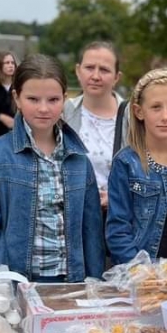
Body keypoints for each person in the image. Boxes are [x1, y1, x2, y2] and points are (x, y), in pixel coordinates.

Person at [0, 54, 105, 282]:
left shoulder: (79, 160)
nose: (43, 108)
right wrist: (0, 289)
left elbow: (92, 233)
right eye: (33, 99)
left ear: (64, 99)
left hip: (72, 284)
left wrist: (94, 282)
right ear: (17, 98)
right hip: (16, 284)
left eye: (53, 99)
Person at [105, 69, 167, 266]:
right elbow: (118, 231)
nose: (165, 116)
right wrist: (142, 273)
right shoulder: (126, 163)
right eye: (156, 107)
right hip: (138, 276)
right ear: (139, 111)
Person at [63, 41, 127, 208]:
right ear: (78, 71)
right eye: (89, 68)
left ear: (116, 77)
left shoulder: (133, 118)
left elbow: (147, 174)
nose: (96, 76)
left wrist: (118, 197)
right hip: (73, 214)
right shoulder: (63, 113)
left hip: (117, 217)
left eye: (104, 70)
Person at [0, 51, 18, 138]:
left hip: (18, 131)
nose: (11, 65)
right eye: (7, 63)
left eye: (12, 63)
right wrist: (1, 117)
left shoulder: (19, 86)